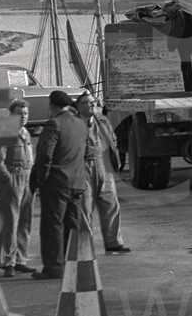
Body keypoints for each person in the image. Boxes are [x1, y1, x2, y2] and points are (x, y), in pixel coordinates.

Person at [30, 89, 95, 279]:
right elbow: (87, 153)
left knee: (53, 225)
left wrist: (40, 179)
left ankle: (54, 267)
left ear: (53, 106)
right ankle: (72, 263)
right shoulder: (81, 125)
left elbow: (44, 155)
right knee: (72, 225)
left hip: (57, 183)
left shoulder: (54, 124)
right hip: (77, 182)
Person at [74, 91, 131, 253]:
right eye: (86, 102)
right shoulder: (75, 123)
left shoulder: (102, 120)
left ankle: (114, 242)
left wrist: (116, 162)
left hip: (104, 167)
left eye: (93, 102)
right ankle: (85, 246)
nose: (91, 104)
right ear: (78, 107)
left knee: (111, 205)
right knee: (85, 208)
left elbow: (112, 139)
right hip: (84, 168)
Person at [0, 99, 36, 275]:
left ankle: (21, 259)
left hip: (27, 177)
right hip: (12, 177)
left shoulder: (25, 133)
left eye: (25, 113)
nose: (23, 117)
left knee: (25, 220)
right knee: (10, 222)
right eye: (19, 113)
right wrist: (8, 179)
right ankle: (9, 262)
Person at [162, 0, 192, 93]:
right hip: (182, 40)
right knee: (187, 64)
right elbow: (166, 11)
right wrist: (177, 6)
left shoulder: (189, 6)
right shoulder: (172, 9)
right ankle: (190, 89)